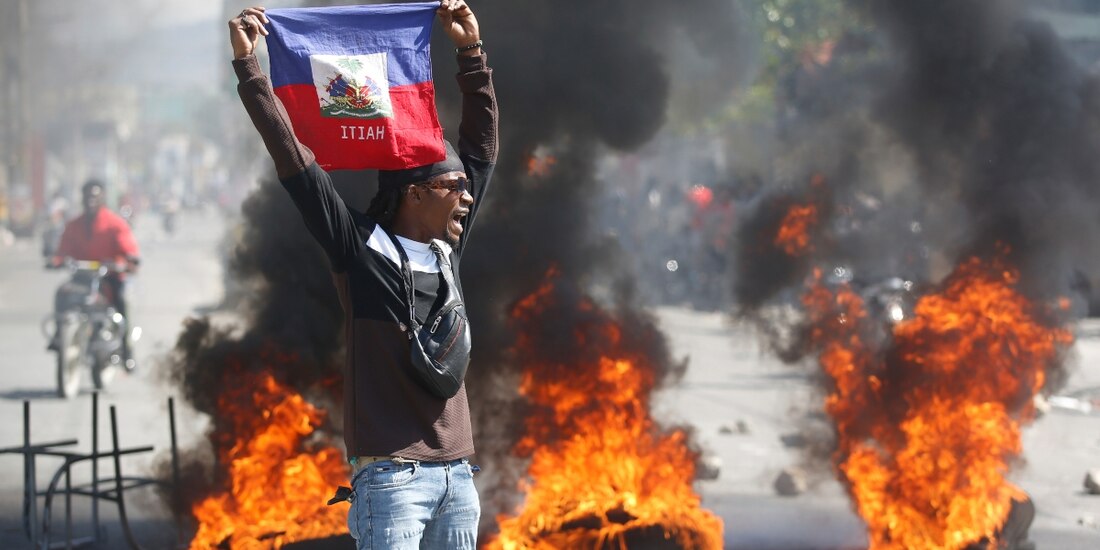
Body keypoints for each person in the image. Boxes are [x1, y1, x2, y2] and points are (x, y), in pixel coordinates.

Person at [229, 2, 497, 548]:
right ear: (415, 193)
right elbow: (295, 163)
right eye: (453, 186)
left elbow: (483, 152)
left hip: (459, 478)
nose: (467, 196)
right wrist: (250, 70)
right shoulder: (360, 248)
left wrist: (470, 53)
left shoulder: (447, 251)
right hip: (393, 480)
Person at [51, 179, 141, 370]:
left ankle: (127, 351)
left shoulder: (115, 223)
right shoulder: (74, 225)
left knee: (123, 301)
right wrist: (57, 261)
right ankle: (60, 336)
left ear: (102, 198)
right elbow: (62, 250)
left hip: (109, 277)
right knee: (62, 293)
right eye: (87, 196)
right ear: (82, 198)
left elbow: (128, 249)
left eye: (95, 196)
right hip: (82, 277)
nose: (91, 200)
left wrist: (127, 261)